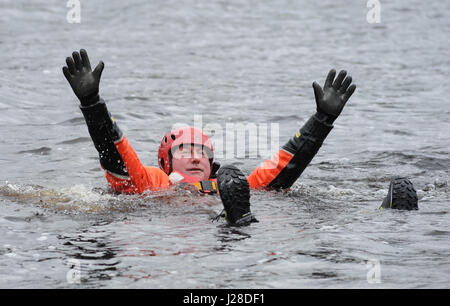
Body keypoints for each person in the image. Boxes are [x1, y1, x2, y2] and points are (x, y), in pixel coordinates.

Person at [62, 49, 417, 226]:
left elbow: (285, 165)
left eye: (202, 151)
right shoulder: (154, 184)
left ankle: (388, 216)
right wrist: (93, 104)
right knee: (239, 208)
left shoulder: (232, 181)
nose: (197, 156)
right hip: (192, 235)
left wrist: (322, 120)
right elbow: (118, 157)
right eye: (185, 150)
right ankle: (237, 220)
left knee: (263, 193)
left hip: (243, 214)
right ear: (166, 161)